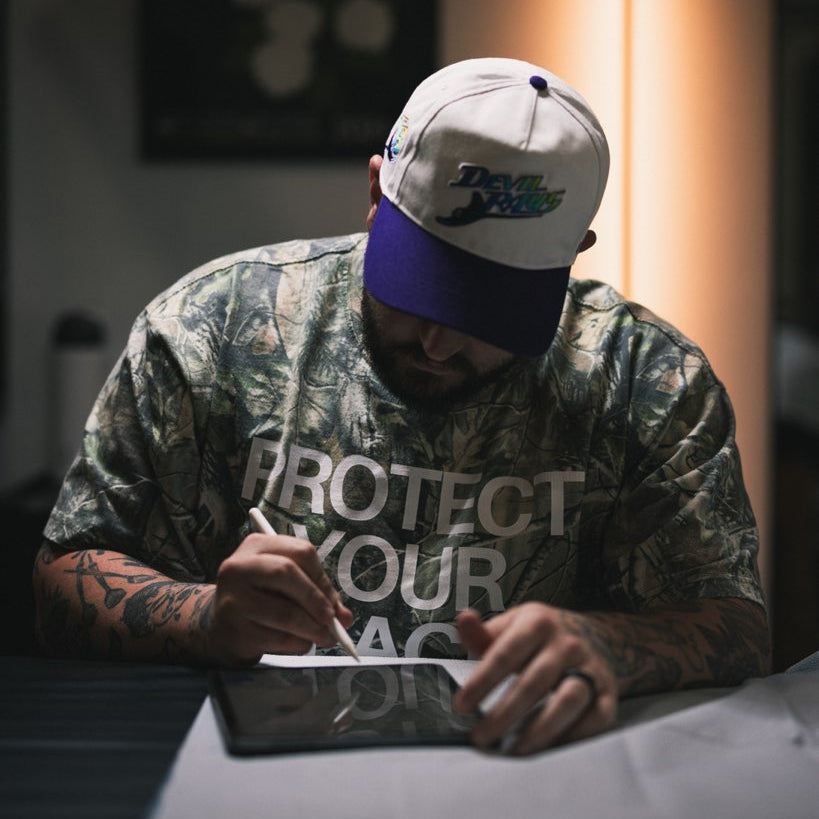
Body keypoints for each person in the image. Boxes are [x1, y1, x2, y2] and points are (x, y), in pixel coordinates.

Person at [33, 57, 771, 754]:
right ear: (376, 192)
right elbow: (63, 573)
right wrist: (205, 618)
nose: (440, 343)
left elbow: (735, 625)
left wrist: (613, 645)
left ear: (574, 249)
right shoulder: (214, 329)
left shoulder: (644, 378)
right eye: (422, 287)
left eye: (489, 309)